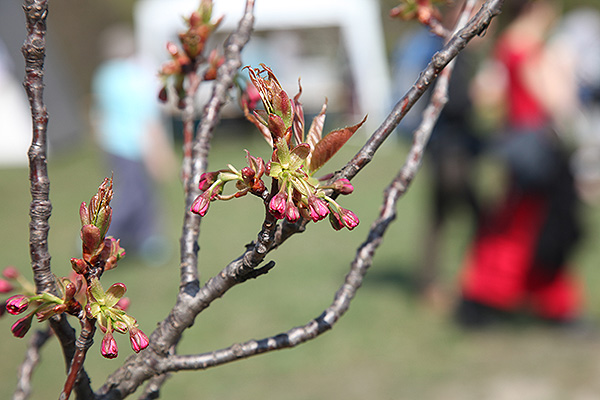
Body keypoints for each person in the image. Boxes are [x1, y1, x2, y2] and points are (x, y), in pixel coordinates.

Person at [455, 0, 584, 328]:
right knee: (531, 227)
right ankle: (503, 299)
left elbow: (486, 95)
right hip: (538, 151)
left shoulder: (508, 43)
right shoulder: (530, 46)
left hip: (520, 148)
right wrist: (565, 71)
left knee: (518, 225)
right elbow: (556, 102)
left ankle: (500, 298)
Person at [91, 25, 176, 264]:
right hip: (134, 144)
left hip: (112, 143)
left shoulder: (103, 75)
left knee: (140, 193)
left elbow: (98, 112)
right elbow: (147, 117)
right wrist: (160, 152)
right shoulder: (134, 76)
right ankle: (95, 238)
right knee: (133, 195)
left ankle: (146, 240)